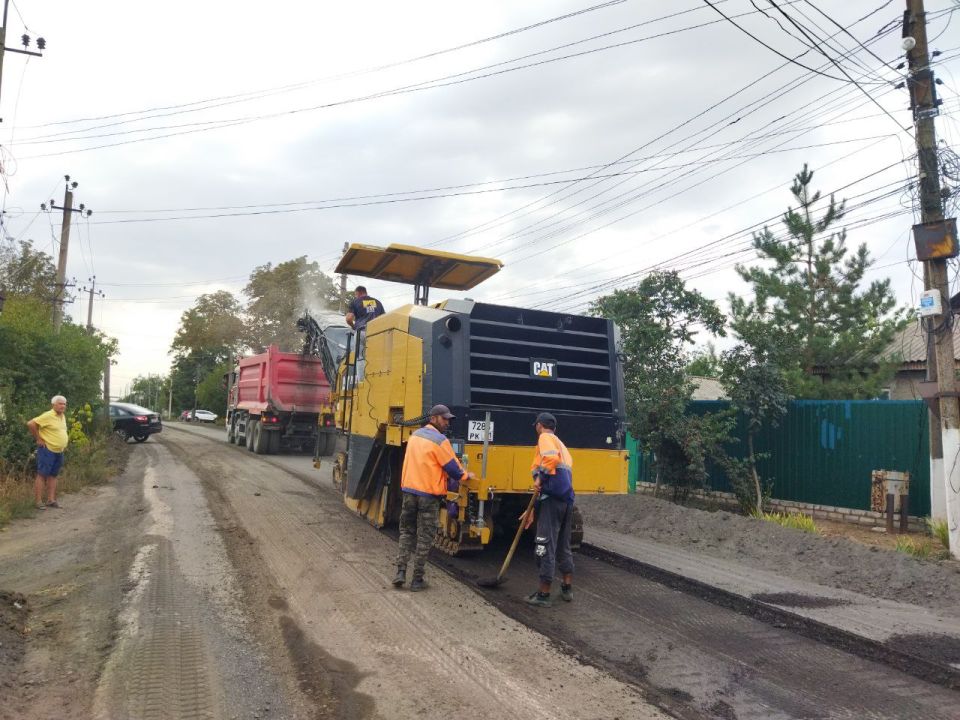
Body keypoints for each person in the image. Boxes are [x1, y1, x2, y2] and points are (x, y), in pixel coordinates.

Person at [393, 404, 475, 591]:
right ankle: (416, 580)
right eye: (444, 419)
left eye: (448, 419)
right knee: (425, 537)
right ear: (433, 418)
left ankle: (400, 572)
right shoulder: (440, 441)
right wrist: (465, 475)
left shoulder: (414, 436)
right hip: (428, 496)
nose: (447, 422)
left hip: (409, 492)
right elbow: (453, 468)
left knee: (406, 532)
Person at [525, 411, 575, 608]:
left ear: (539, 426)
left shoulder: (545, 438)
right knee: (564, 544)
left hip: (552, 501)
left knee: (544, 545)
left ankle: (544, 594)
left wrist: (539, 478)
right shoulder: (562, 445)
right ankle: (567, 588)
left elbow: (550, 460)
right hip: (566, 501)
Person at [26, 395, 70, 510]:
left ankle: (51, 500)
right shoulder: (48, 415)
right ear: (53, 405)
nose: (63, 406)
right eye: (60, 403)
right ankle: (38, 501)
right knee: (42, 475)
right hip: (47, 450)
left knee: (53, 475)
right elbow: (31, 423)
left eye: (64, 404)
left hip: (59, 451)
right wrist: (38, 439)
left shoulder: (62, 416)